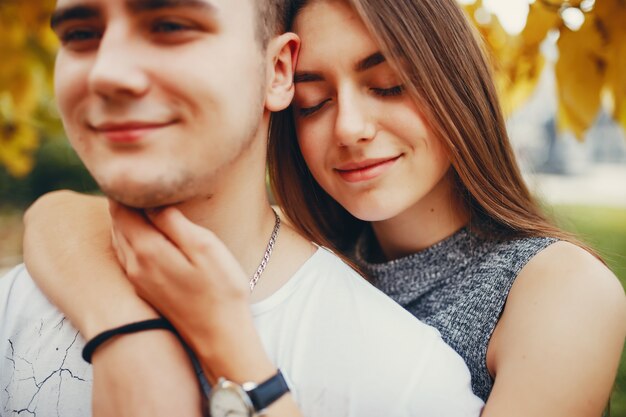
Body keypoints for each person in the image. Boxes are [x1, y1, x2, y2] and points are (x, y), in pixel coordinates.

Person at [13, 0, 626, 416]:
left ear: (455, 87)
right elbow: (64, 213)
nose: (351, 128)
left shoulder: (559, 287)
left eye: (388, 85)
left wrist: (235, 353)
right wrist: (131, 338)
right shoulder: (317, 249)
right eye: (312, 102)